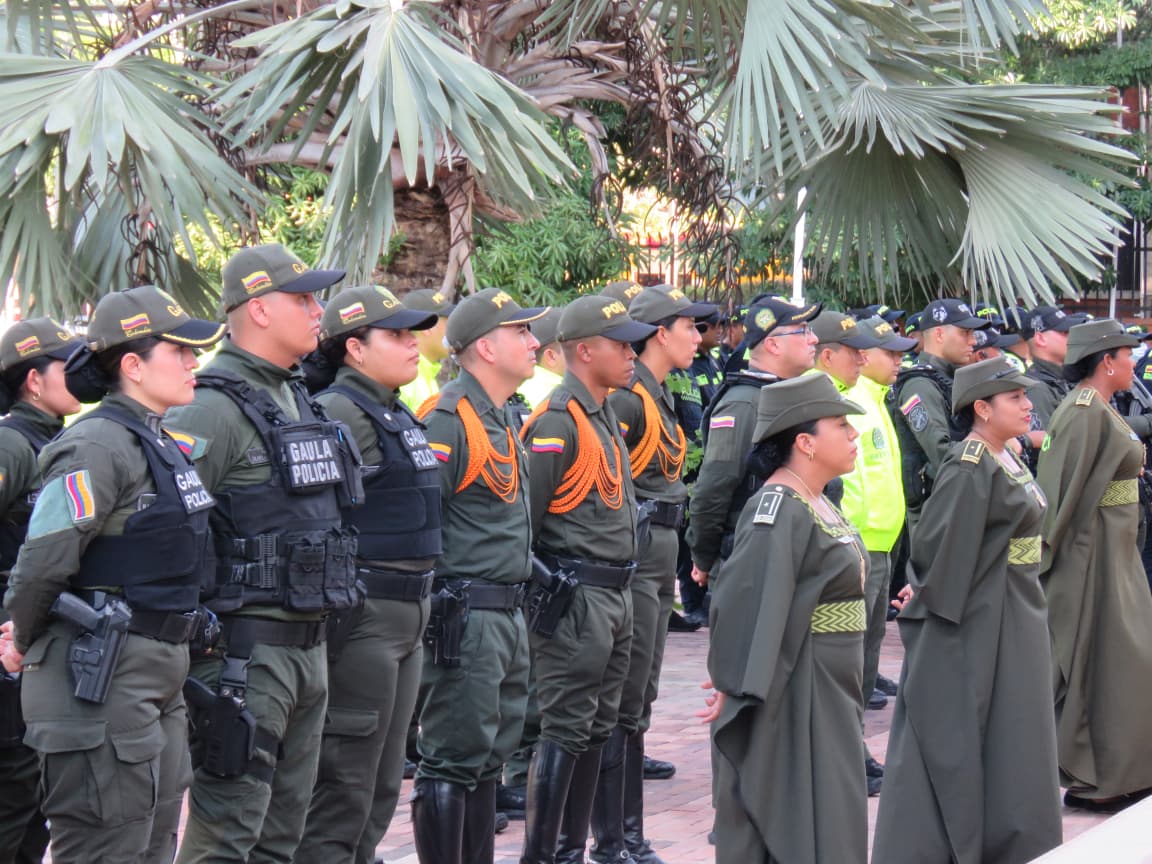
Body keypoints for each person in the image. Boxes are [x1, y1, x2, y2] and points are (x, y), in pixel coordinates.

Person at [2, 287, 224, 862]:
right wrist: (17, 636)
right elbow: (46, 556)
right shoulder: (96, 444)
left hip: (156, 669)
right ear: (132, 365)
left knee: (150, 845)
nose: (192, 362)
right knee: (107, 846)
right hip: (98, 677)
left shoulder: (153, 439)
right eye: (178, 351)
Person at [167, 243, 364, 863]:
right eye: (302, 298)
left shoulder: (296, 397)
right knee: (227, 836)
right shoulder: (209, 407)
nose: (318, 310)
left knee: (280, 838)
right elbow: (171, 533)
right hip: (243, 657)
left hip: (307, 647)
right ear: (255, 309)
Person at [872, 356, 1062, 863]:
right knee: (994, 728)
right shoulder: (970, 463)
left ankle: (1016, 840)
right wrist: (929, 597)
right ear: (982, 408)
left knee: (1018, 731)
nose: (1028, 405)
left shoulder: (1004, 455)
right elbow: (940, 547)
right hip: (989, 613)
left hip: (1017, 602)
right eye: (1015, 398)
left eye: (1026, 396)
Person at [294, 286, 441, 862]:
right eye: (397, 335)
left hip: (408, 613)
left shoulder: (392, 407)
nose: (412, 345)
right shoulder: (339, 412)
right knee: (345, 782)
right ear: (355, 347)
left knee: (381, 786)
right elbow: (318, 514)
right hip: (368, 614)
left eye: (412, 334)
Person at [700, 374, 869, 864]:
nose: (854, 435)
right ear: (805, 442)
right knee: (804, 806)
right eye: (841, 425)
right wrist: (733, 684)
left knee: (833, 803)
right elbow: (746, 601)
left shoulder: (815, 499)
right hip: (803, 681)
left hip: (833, 682)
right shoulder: (777, 507)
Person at [409, 288, 544, 864]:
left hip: (507, 612)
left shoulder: (498, 416)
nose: (535, 342)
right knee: (454, 756)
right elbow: (422, 522)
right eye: (521, 332)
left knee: (490, 753)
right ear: (486, 347)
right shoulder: (446, 419)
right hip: (468, 616)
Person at [518, 295, 655, 864]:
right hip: (577, 598)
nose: (631, 353)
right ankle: (543, 856)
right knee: (566, 728)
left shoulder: (601, 415)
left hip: (615, 593)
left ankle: (575, 851)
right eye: (620, 344)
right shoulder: (556, 423)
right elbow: (525, 524)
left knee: (600, 725)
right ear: (584, 351)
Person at [597, 285, 715, 864]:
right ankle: (615, 838)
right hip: (636, 554)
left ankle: (626, 834)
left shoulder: (657, 392)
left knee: (638, 695)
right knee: (622, 697)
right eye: (688, 326)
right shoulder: (626, 397)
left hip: (657, 553)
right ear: (658, 333)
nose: (700, 336)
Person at [1035, 319, 1152, 811]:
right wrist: (1058, 567)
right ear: (1107, 361)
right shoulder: (1083, 412)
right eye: (1128, 355)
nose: (1134, 361)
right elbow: (1060, 496)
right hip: (1096, 556)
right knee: (1109, 663)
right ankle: (1102, 778)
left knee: (1123, 664)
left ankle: (1124, 771)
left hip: (1118, 552)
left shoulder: (1101, 408)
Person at [0, 319, 83, 864]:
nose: (79, 375)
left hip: (40, 638)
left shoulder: (60, 441)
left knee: (33, 794)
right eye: (65, 366)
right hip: (8, 640)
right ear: (33, 380)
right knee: (14, 783)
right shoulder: (12, 442)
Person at [687, 296, 820, 588]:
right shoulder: (744, 403)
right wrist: (704, 556)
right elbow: (714, 487)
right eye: (804, 331)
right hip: (750, 557)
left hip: (787, 551)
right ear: (773, 344)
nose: (814, 339)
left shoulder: (786, 396)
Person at [840, 315, 916, 786]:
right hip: (859, 546)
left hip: (881, 544)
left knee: (866, 662)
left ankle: (856, 748)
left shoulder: (876, 400)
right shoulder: (848, 400)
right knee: (850, 663)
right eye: (890, 353)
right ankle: (848, 753)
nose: (898, 361)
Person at [889, 298, 988, 532]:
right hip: (932, 516)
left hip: (952, 508)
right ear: (940, 334)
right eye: (965, 333)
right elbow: (942, 453)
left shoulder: (951, 379)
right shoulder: (919, 386)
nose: (973, 341)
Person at [1022, 306, 1083, 432]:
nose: (1071, 337)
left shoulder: (1062, 377)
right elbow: (1047, 445)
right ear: (1040, 339)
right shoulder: (1036, 389)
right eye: (1064, 332)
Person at [398, 288, 455, 411]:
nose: (453, 331)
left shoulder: (425, 377)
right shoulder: (404, 383)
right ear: (427, 326)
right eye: (449, 323)